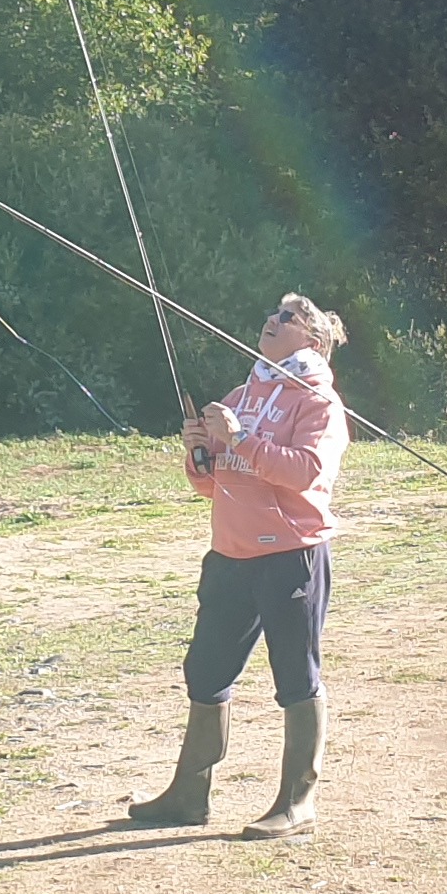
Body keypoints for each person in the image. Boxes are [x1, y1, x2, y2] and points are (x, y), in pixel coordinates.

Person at [126, 294, 351, 839]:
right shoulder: (243, 393)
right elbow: (213, 483)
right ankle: (188, 796)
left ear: (313, 341)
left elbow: (305, 473)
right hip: (229, 555)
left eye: (287, 319)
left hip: (291, 554)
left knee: (296, 677)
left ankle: (298, 802)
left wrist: (242, 438)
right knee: (205, 673)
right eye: (272, 315)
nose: (271, 322)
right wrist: (199, 453)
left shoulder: (319, 403)